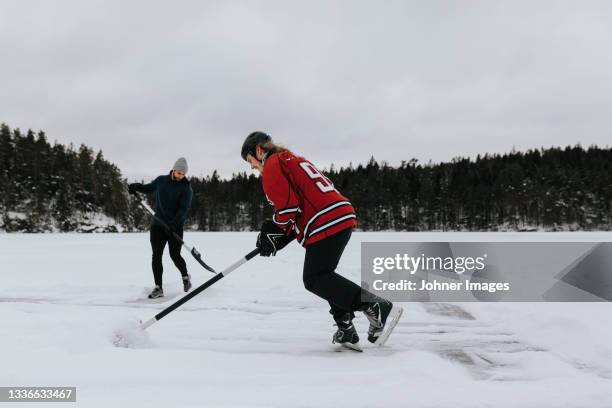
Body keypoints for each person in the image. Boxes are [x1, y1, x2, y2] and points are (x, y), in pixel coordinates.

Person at [241, 132, 403, 350]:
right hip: (337, 216)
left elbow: (288, 207)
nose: (252, 167)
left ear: (259, 151)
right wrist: (276, 239)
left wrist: (272, 230)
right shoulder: (291, 159)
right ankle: (345, 327)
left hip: (326, 220)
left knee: (315, 277)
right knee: (325, 276)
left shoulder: (271, 164)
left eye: (250, 160)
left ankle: (374, 305)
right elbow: (297, 209)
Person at [128, 157, 194, 299]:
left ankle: (185, 276)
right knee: (156, 255)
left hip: (175, 227)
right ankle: (158, 288)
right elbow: (148, 188)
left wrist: (174, 224)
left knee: (175, 255)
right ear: (173, 170)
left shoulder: (186, 188)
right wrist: (136, 186)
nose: (180, 176)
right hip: (158, 225)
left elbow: (183, 209)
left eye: (183, 174)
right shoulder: (161, 180)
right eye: (178, 173)